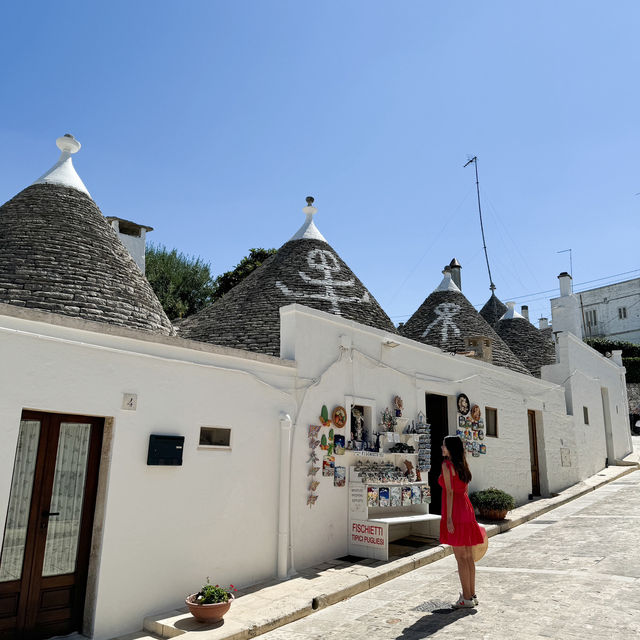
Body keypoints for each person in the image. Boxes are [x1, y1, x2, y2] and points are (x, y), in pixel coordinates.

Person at [439, 435, 485, 608]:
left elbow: (449, 492)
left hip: (456, 512)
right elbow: (463, 489)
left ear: (450, 448)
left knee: (460, 558)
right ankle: (471, 595)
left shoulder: (447, 465)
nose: (442, 448)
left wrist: (449, 519)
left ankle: (465, 599)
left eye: (444, 445)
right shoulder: (463, 465)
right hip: (466, 509)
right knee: (468, 557)